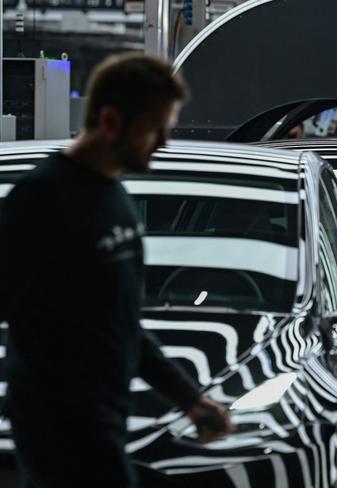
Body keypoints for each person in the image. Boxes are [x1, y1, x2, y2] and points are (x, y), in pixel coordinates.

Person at [0, 52, 233, 487]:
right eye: (154, 128)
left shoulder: (115, 199)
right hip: (58, 425)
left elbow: (120, 322)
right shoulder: (41, 201)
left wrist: (189, 400)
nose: (164, 141)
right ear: (110, 121)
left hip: (103, 417)